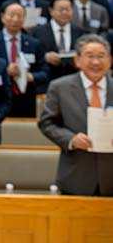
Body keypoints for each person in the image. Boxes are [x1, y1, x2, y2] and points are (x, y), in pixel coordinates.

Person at [38, 34, 113, 195]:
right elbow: (46, 123)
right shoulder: (60, 87)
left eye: (101, 56)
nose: (96, 62)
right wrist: (71, 139)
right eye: (90, 56)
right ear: (77, 60)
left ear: (110, 60)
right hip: (76, 176)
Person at [0, 1, 48, 117]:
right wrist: (4, 72)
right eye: (11, 15)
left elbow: (45, 72)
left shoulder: (34, 43)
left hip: (26, 97)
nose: (15, 19)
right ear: (3, 17)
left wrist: (31, 76)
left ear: (24, 19)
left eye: (19, 16)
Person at [31, 0, 86, 84]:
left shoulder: (80, 33)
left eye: (68, 9)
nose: (64, 13)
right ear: (51, 11)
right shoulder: (37, 32)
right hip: (46, 81)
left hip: (73, 80)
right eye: (61, 10)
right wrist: (45, 56)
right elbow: (31, 54)